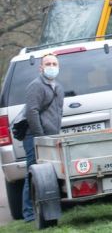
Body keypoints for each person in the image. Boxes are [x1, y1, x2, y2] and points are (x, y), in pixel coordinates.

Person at [22, 54, 64, 223]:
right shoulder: (36, 86)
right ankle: (28, 213)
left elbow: (58, 113)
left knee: (48, 174)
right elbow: (31, 112)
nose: (51, 66)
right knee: (32, 172)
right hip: (35, 137)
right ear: (41, 67)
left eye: (54, 63)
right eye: (48, 63)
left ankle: (47, 209)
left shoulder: (58, 87)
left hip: (50, 136)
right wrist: (40, 137)